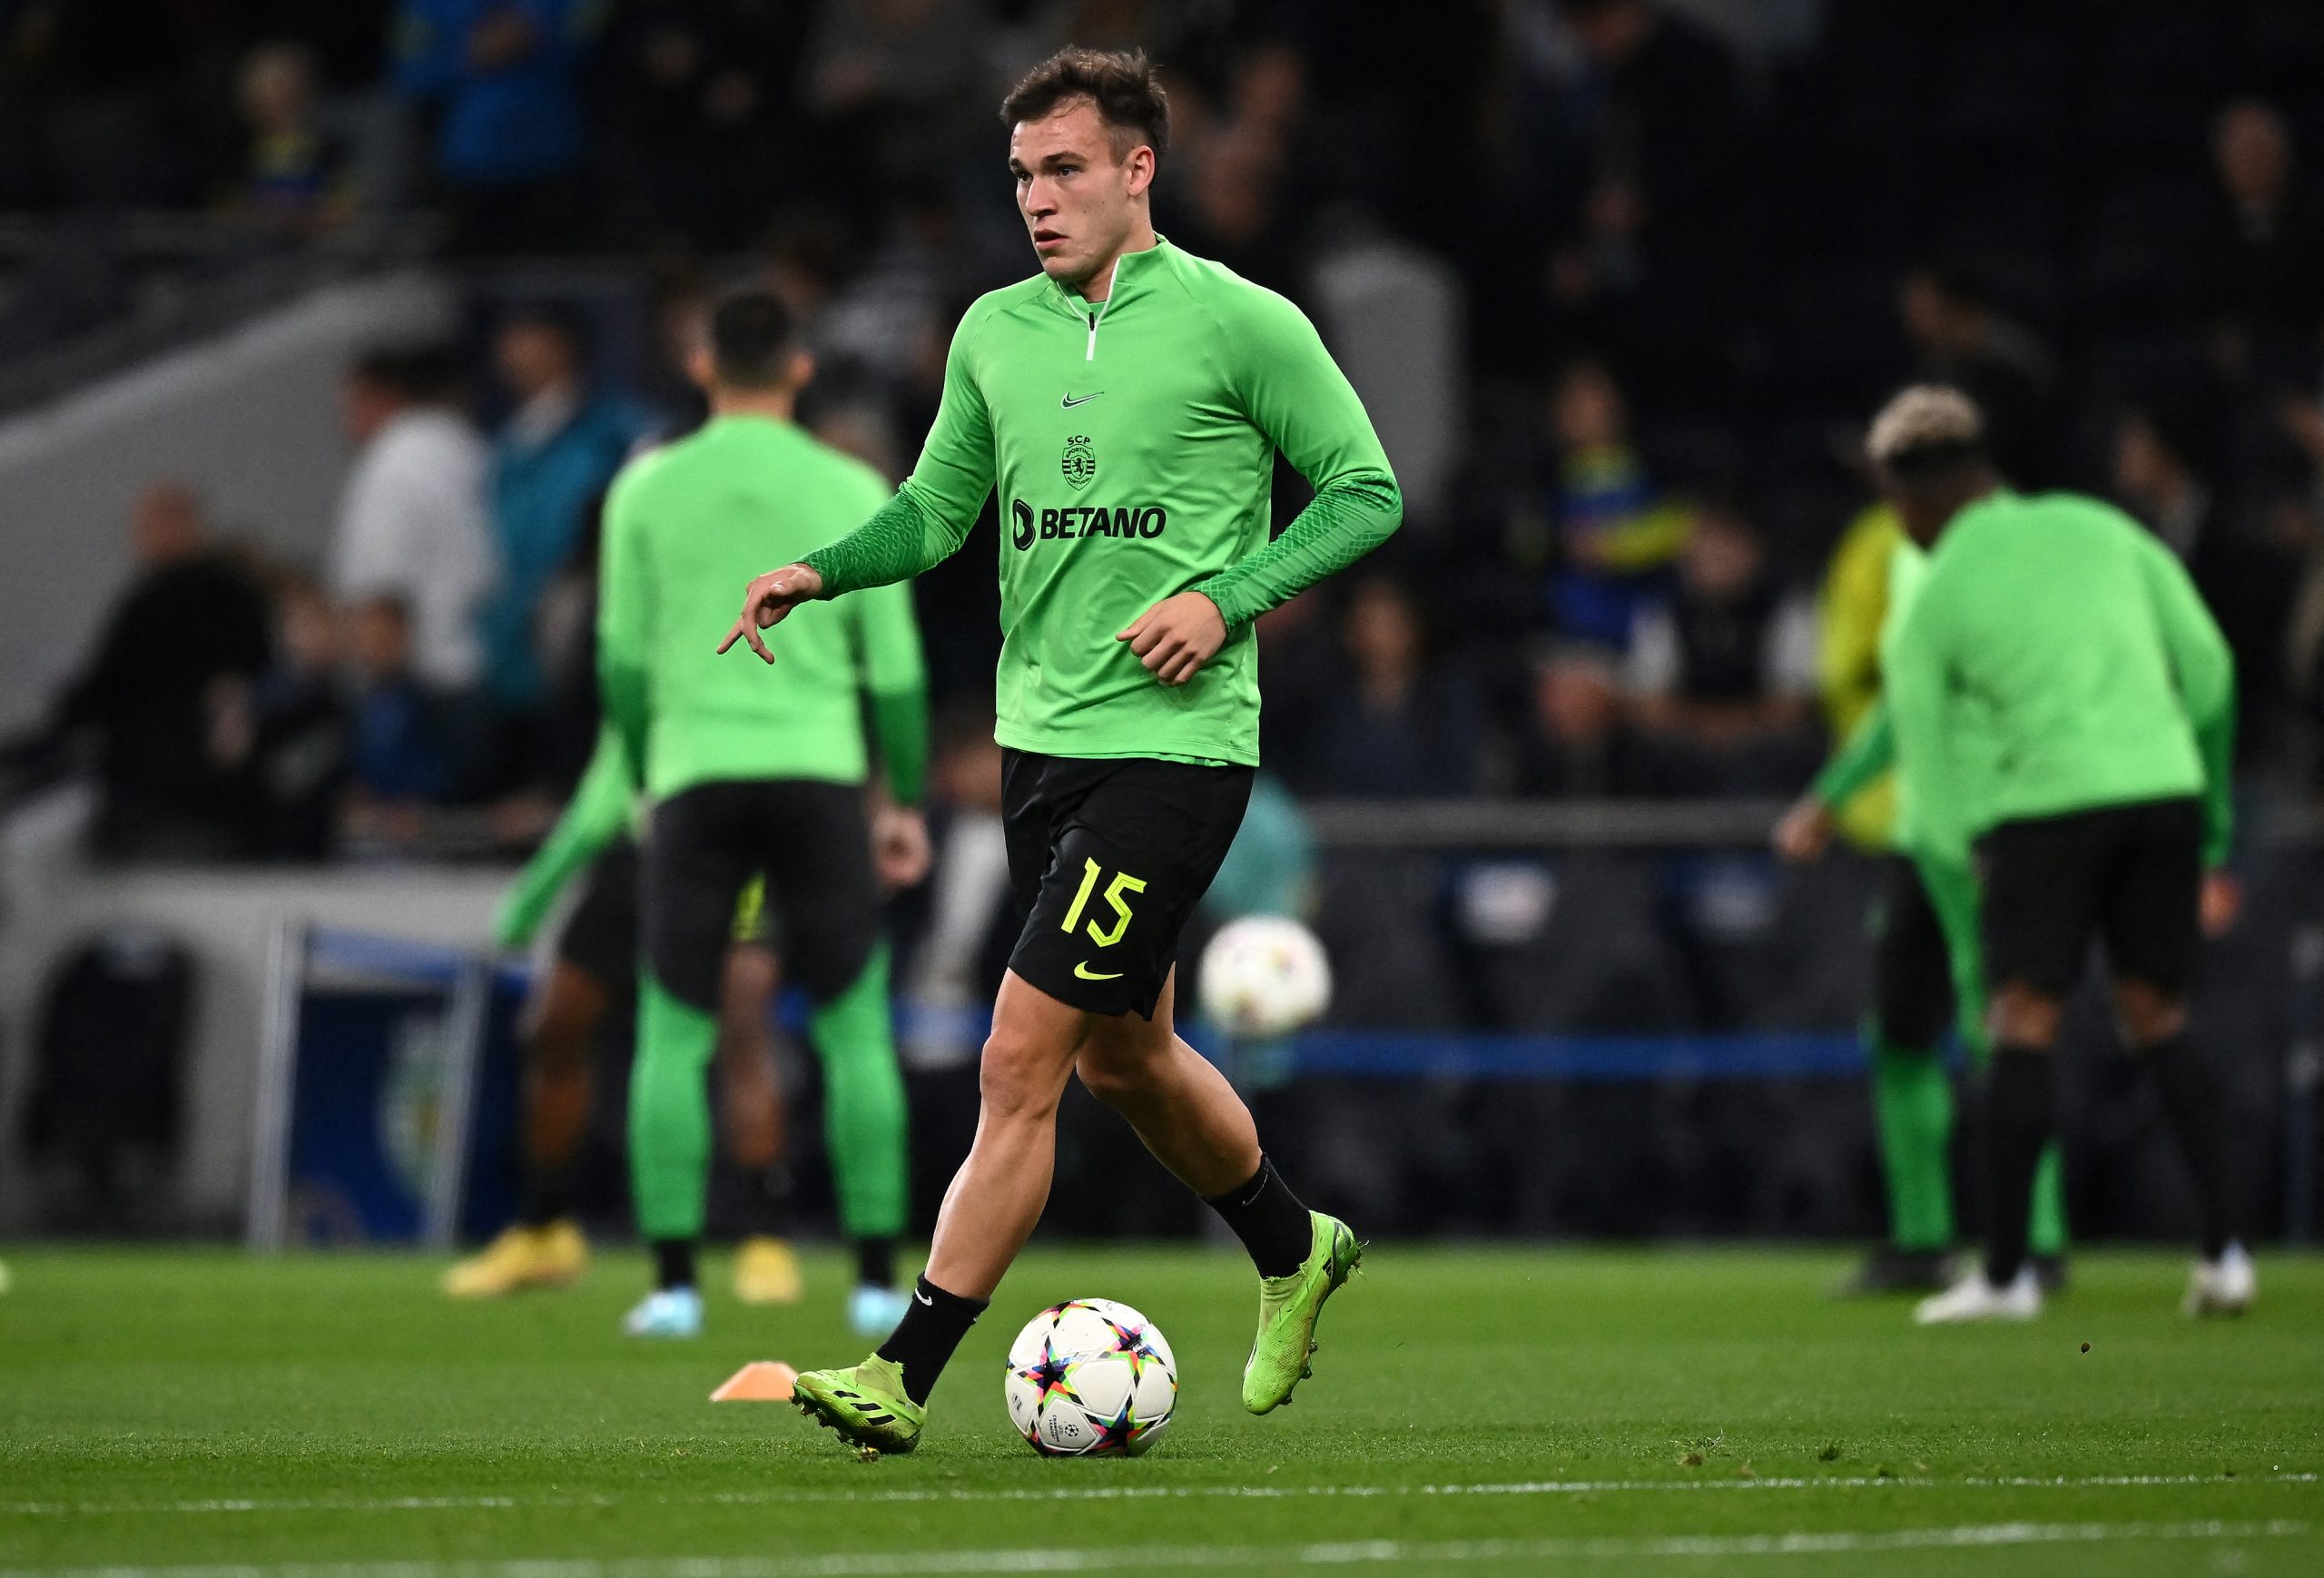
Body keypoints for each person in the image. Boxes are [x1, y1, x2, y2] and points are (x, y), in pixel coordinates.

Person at [726, 47, 1401, 1454]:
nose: (1038, 198)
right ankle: (1296, 1245)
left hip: (1177, 748)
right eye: (1024, 174)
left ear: (1139, 169)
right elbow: (932, 514)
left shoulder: (1240, 322)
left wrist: (1227, 597)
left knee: (1018, 1057)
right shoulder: (993, 331)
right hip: (1041, 745)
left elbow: (1365, 491)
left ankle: (902, 1371)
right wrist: (819, 567)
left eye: (1067, 170)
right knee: (1125, 1061)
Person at [1859, 387, 2250, 1325]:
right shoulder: (2102, 527)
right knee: (2157, 1015)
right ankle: (2225, 1257)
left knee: (2021, 1019)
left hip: (2048, 803)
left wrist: (1962, 862)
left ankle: (2004, 1276)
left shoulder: (1939, 587)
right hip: (2161, 788)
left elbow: (1923, 753)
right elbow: (2209, 670)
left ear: (1910, 503)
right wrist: (2211, 810)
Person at [601, 290, 932, 1340]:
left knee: (672, 1027)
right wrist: (906, 799)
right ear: (797, 372)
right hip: (820, 774)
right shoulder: (848, 483)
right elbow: (899, 677)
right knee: (852, 1028)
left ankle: (671, 1287)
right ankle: (879, 1279)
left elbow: (619, 660)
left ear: (703, 367)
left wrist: (647, 774)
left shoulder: (645, 488)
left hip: (697, 772)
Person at [448, 725, 917, 1336]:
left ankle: (764, 1238)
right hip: (639, 852)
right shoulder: (665, 654)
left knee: (741, 1028)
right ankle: (544, 1228)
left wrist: (529, 902)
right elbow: (608, 777)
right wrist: (538, 894)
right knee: (552, 1029)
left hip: (723, 841)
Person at [1777, 484, 2070, 1298]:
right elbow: (1909, 704)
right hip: (1924, 835)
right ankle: (1924, 1238)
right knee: (1901, 1035)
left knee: (2004, 1029)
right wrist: (1832, 797)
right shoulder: (1917, 563)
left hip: (1994, 830)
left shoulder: (2006, 573)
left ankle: (2038, 1242)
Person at [40, 482, 271, 860]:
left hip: (156, 806)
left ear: (177, 524)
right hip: (240, 806)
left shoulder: (150, 604)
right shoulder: (243, 597)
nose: (136, 541)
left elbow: (104, 691)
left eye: (143, 527)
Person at [330, 345, 496, 696]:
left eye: (352, 405)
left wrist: (380, 686)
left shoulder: (390, 462)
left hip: (429, 674)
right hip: (488, 658)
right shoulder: (468, 446)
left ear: (383, 397)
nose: (346, 424)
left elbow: (382, 587)